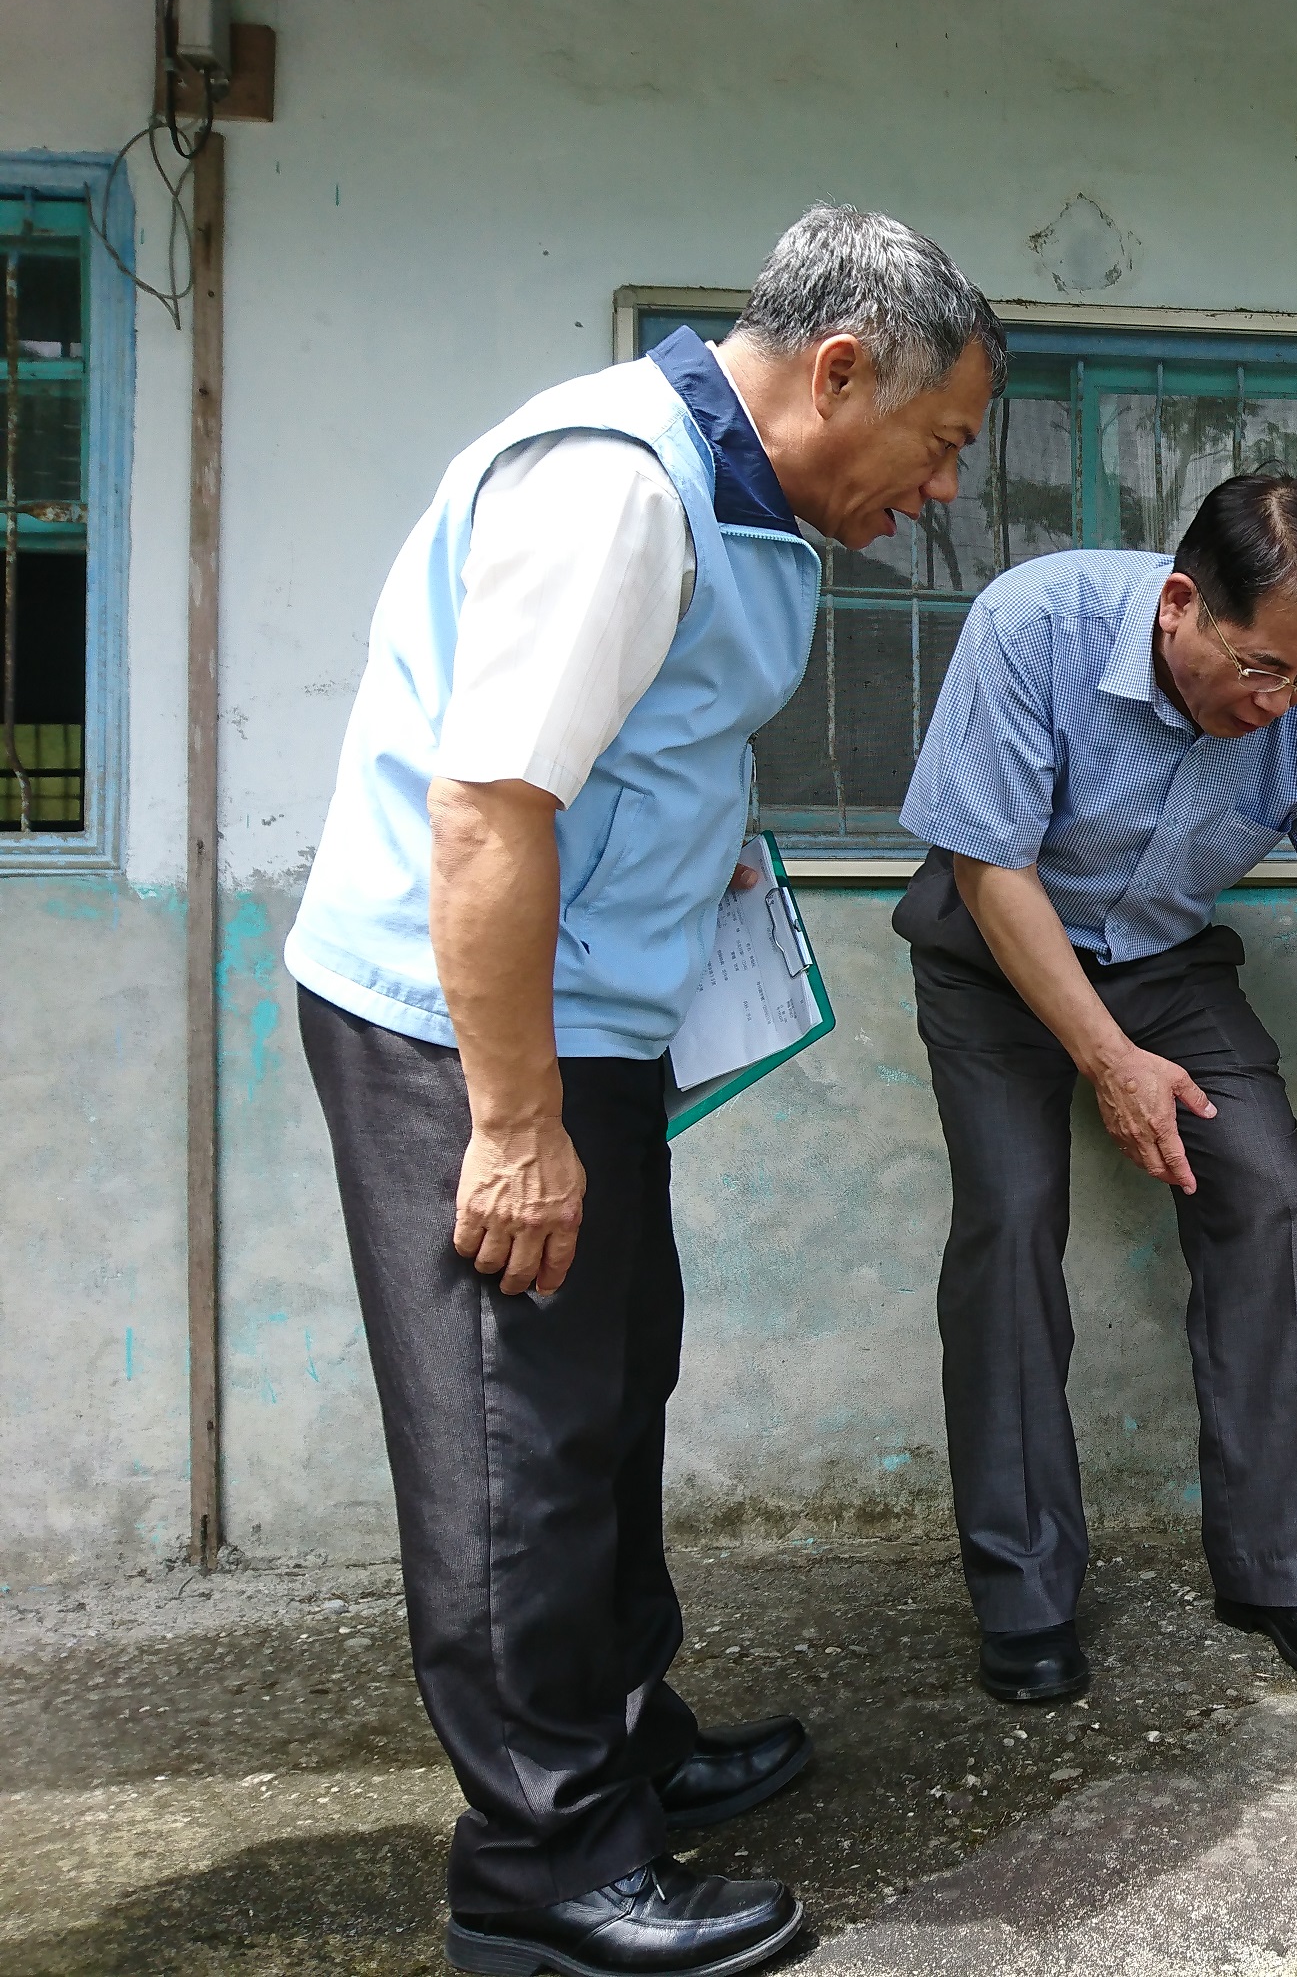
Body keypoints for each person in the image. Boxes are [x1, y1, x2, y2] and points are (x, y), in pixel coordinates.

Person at [285, 204, 1002, 1976]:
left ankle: (622, 1746)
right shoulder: (616, 482)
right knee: (514, 1438)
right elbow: (491, 813)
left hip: (591, 1020)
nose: (940, 492)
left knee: (609, 1385)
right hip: (469, 1032)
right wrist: (513, 1124)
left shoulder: (751, 498)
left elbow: (646, 755)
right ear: (839, 372)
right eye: (943, 444)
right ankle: (539, 1875)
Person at [895, 471, 1297, 1707]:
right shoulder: (1037, 624)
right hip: (997, 957)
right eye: (1259, 670)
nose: (1280, 702)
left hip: (1167, 965)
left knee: (1271, 1196)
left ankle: (1281, 1572)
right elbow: (992, 867)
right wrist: (1105, 1061)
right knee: (1013, 1223)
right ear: (1181, 602)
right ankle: (1024, 1593)